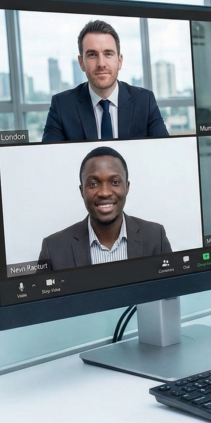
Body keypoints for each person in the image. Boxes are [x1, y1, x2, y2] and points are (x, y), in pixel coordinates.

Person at [39, 146, 171, 270]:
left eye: (115, 182)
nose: (104, 193)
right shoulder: (53, 248)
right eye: (93, 183)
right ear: (82, 191)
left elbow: (171, 292)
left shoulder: (155, 237)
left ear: (127, 187)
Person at [42, 20, 169, 142]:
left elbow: (164, 151)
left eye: (108, 54)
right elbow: (50, 159)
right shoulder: (62, 106)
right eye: (92, 54)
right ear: (81, 63)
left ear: (119, 61)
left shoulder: (145, 101)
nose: (101, 64)